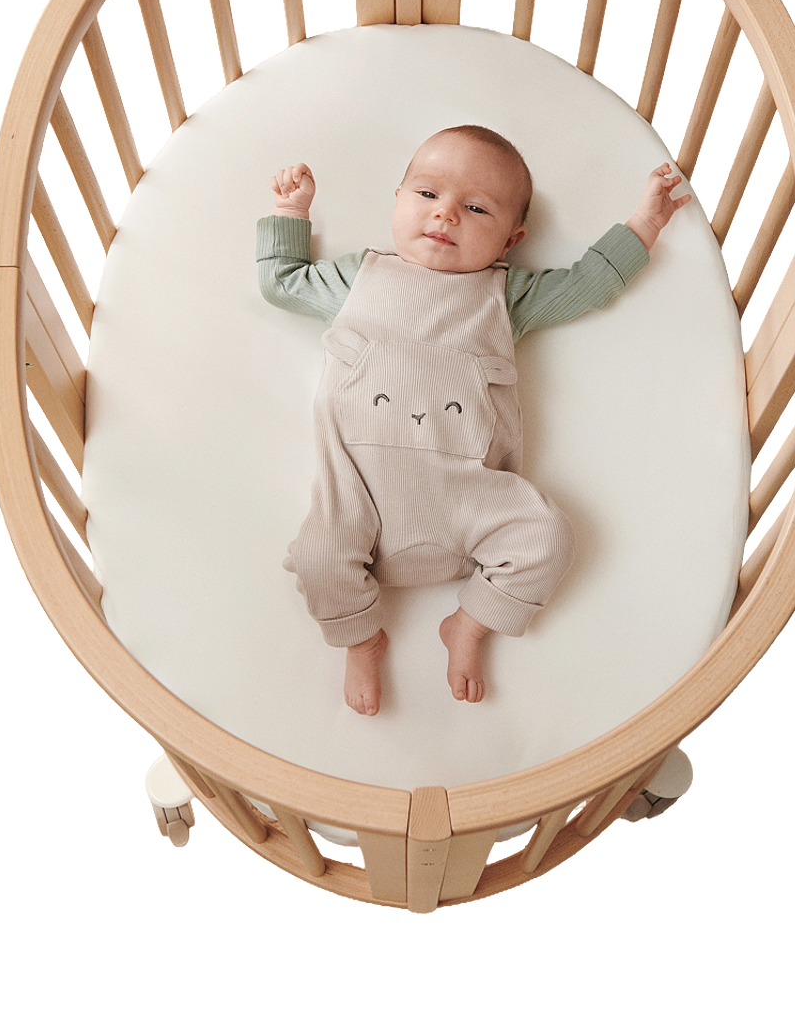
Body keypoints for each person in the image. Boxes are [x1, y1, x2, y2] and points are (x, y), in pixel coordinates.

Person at [257, 125, 690, 716]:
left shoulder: (503, 296)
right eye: (427, 194)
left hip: (468, 499)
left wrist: (645, 223)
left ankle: (469, 624)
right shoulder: (361, 278)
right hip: (359, 490)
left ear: (511, 240)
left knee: (549, 537)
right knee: (316, 559)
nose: (447, 215)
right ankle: (362, 639)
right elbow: (283, 284)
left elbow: (588, 286)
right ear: (397, 200)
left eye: (476, 207)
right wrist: (290, 211)